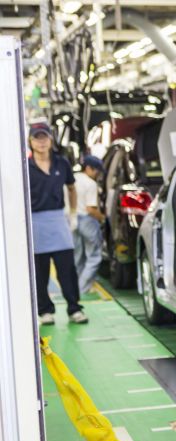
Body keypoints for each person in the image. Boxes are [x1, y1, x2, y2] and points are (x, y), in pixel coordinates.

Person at [28, 123, 87, 325]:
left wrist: (72, 213)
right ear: (30, 141)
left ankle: (74, 308)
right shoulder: (25, 166)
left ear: (51, 140)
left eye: (44, 137)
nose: (41, 142)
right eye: (37, 138)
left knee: (67, 269)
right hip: (35, 223)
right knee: (39, 271)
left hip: (57, 221)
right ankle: (45, 311)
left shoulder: (62, 163)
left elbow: (71, 188)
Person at [72, 155, 105, 295]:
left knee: (77, 256)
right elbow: (91, 209)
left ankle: (74, 288)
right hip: (87, 221)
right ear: (88, 168)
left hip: (72, 220)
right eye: (96, 170)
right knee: (94, 256)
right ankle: (82, 288)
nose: (97, 174)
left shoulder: (71, 179)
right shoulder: (90, 184)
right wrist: (102, 218)